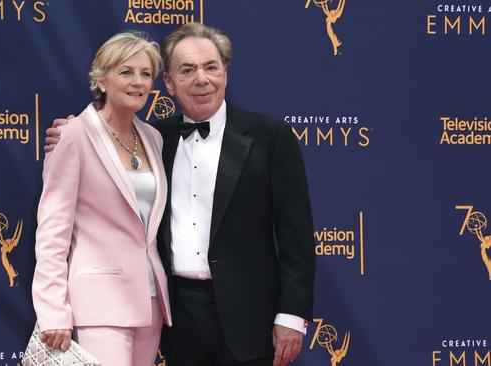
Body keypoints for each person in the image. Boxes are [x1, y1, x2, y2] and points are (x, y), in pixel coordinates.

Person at [45, 23, 315, 366]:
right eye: (187, 70)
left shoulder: (271, 137)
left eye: (211, 67)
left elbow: (298, 237)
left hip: (251, 318)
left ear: (225, 74)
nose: (201, 79)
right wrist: (66, 135)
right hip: (175, 317)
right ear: (169, 84)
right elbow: (97, 145)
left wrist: (291, 314)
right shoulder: (154, 139)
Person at [32, 31, 172, 366]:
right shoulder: (73, 136)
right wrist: (53, 311)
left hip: (149, 302)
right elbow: (52, 232)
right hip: (98, 304)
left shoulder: (153, 137)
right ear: (102, 80)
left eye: (146, 73)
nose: (137, 82)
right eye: (126, 72)